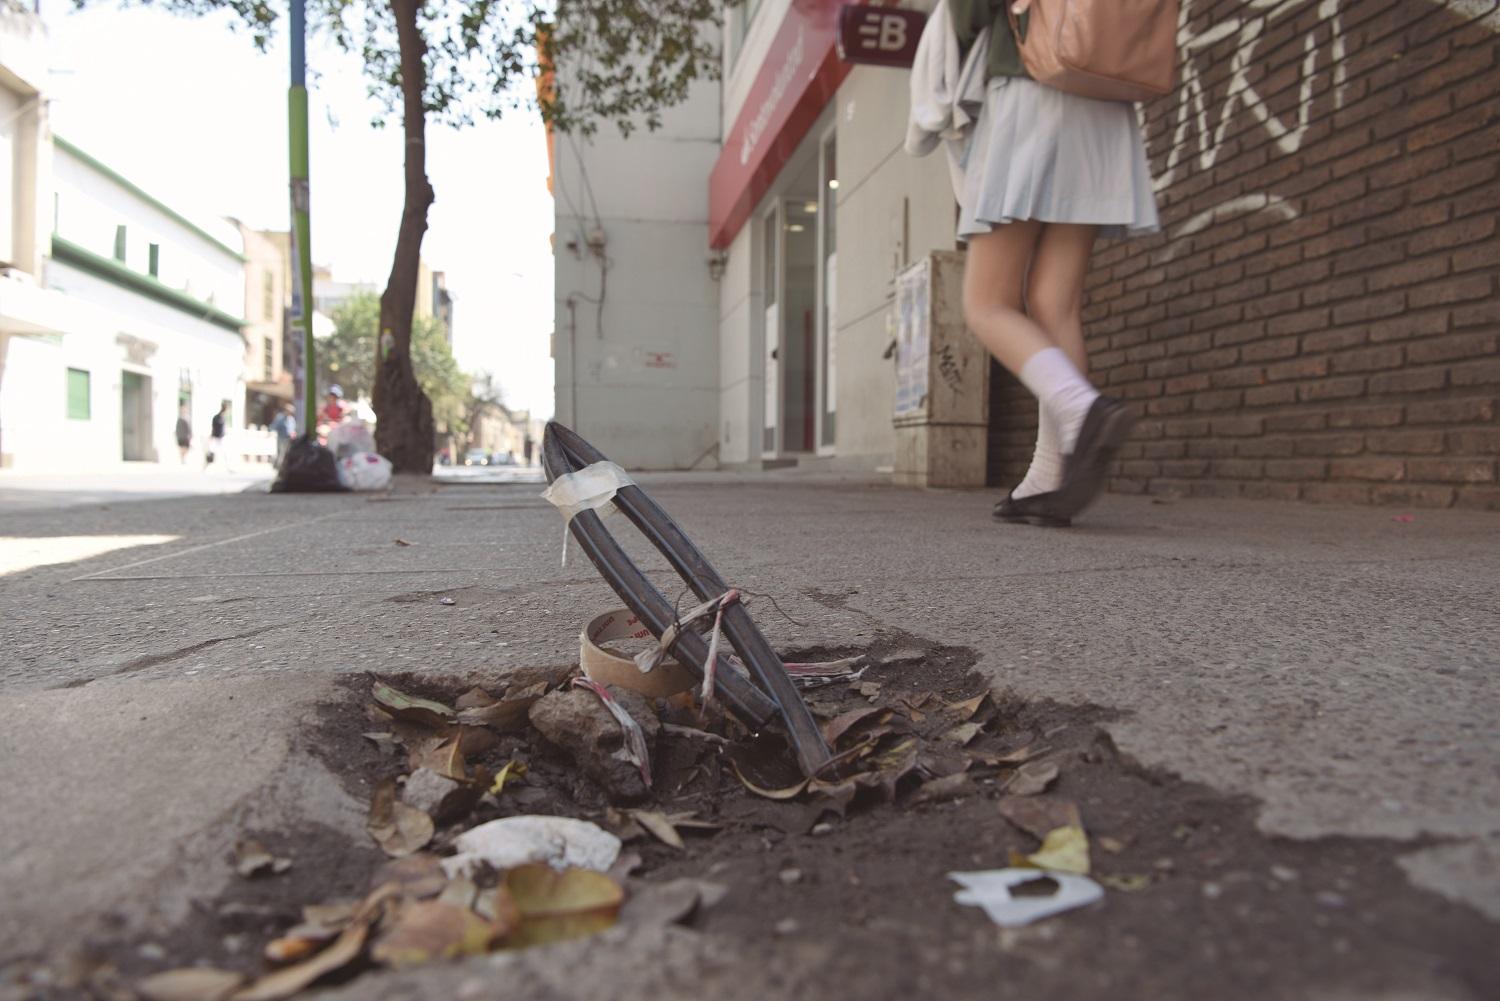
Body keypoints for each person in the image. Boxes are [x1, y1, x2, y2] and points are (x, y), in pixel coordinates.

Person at [949, 0, 1160, 526]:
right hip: (1103, 96)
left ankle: (1082, 408)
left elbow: (968, 14)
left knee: (986, 303)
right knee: (1054, 302)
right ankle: (1051, 474)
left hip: (1034, 85)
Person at [269, 402, 296, 467]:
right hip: (281, 437)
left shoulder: (291, 419)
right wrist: (270, 431)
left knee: (286, 452)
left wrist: (293, 433)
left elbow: (292, 428)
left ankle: (283, 465)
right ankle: (278, 466)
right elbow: (275, 425)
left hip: (288, 438)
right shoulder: (280, 417)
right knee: (281, 452)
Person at [205, 401, 230, 470]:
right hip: (216, 437)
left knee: (225, 452)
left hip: (222, 438)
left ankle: (228, 467)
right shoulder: (217, 417)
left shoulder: (224, 418)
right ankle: (206, 467)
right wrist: (211, 436)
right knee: (211, 452)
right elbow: (213, 428)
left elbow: (224, 429)